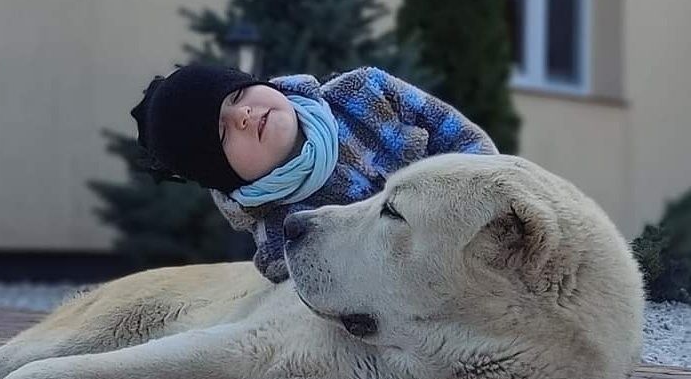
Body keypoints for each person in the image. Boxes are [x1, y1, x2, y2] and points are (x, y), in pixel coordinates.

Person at [131, 61, 497, 282]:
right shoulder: (284, 237)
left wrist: (490, 196)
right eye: (223, 133)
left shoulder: (365, 92)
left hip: (482, 221)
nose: (243, 116)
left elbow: (458, 135)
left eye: (238, 97)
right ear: (226, 175)